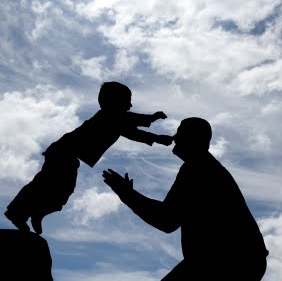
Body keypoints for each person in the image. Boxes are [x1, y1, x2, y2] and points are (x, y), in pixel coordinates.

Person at [103, 117, 269, 280]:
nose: (175, 137)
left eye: (181, 132)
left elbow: (166, 220)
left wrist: (126, 193)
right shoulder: (202, 166)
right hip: (231, 260)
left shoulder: (197, 169)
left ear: (194, 139)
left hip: (228, 260)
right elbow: (168, 219)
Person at [5, 81, 173, 234]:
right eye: (126, 101)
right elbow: (130, 124)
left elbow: (131, 130)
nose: (130, 105)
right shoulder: (108, 116)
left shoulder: (116, 120)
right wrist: (153, 121)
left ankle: (36, 211)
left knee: (60, 192)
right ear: (113, 102)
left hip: (68, 157)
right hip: (62, 153)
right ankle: (17, 212)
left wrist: (156, 135)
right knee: (45, 185)